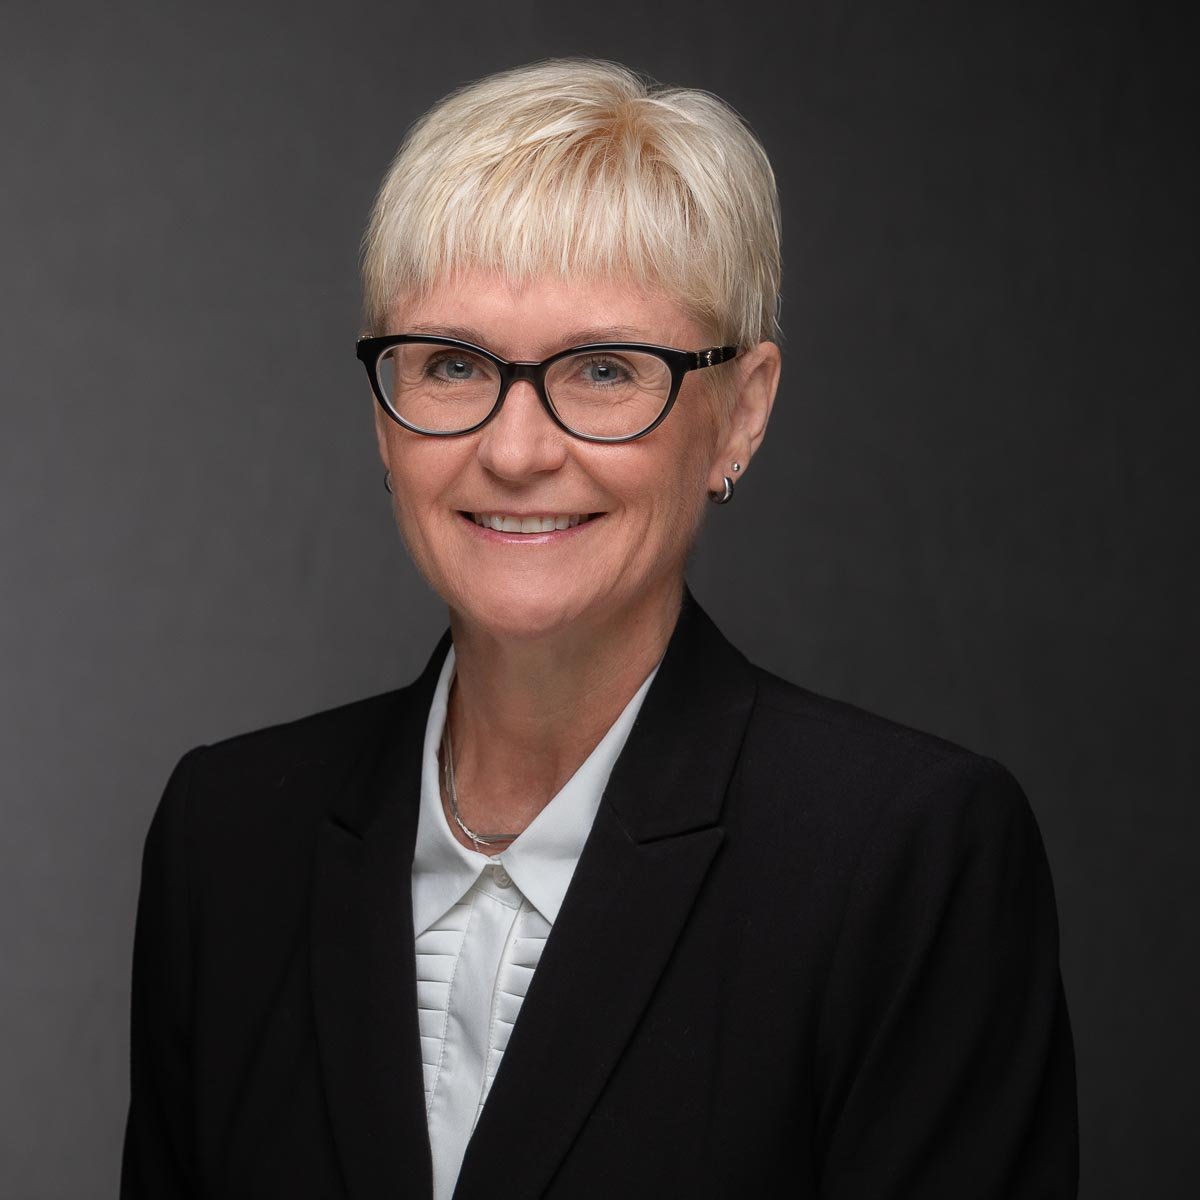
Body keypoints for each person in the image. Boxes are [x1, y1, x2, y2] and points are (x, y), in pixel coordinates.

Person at [121, 58, 1078, 1199]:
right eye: (452, 364)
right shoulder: (228, 840)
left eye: (606, 369)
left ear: (742, 413)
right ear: (384, 419)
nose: (516, 451)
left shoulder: (902, 858)